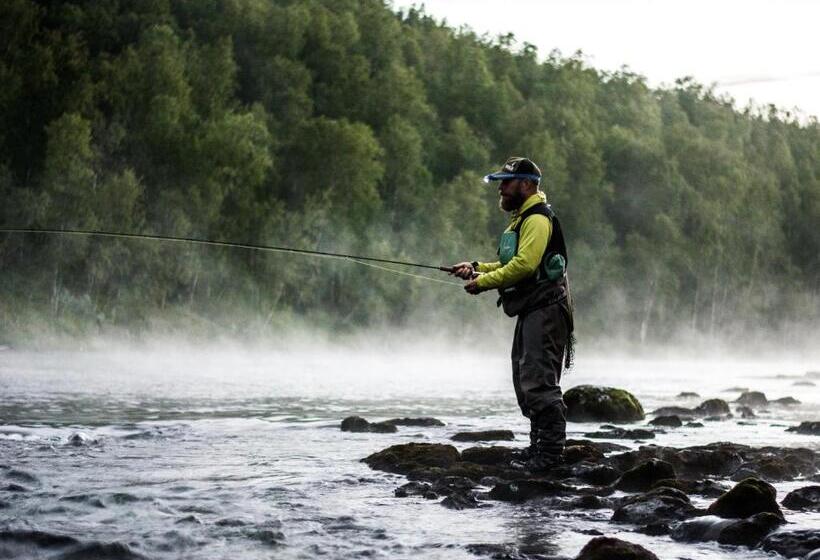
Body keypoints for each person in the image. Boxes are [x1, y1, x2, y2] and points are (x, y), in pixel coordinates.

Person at [450, 156, 574, 472]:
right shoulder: (523, 219)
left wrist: (483, 284)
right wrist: (476, 268)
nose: (501, 188)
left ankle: (549, 456)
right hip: (533, 310)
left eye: (506, 182)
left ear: (526, 184)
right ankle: (538, 451)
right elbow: (511, 264)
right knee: (525, 379)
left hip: (546, 311)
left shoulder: (537, 219)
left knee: (539, 381)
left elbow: (524, 266)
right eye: (500, 183)